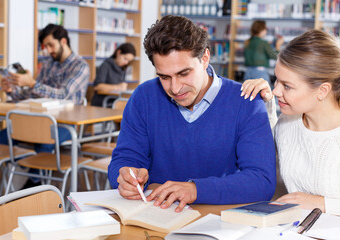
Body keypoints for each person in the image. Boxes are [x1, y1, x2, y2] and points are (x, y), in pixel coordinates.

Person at [108, 15, 276, 212]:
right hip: (157, 217)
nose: (176, 88)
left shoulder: (246, 101)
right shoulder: (144, 97)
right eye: (164, 77)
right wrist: (125, 176)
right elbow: (124, 159)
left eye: (183, 73)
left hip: (220, 222)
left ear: (205, 58)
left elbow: (262, 180)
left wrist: (196, 189)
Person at [241, 29, 340, 223]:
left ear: (322, 91)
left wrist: (324, 203)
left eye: (287, 86)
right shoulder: (288, 122)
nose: (276, 90)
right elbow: (268, 156)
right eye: (276, 80)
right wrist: (265, 106)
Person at [0, 23, 90, 153]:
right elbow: (34, 94)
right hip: (40, 119)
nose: (48, 50)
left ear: (63, 41)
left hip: (65, 124)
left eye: (51, 45)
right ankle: (21, 162)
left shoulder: (81, 66)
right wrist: (12, 91)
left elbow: (63, 94)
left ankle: (33, 171)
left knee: (42, 143)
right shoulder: (48, 64)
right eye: (45, 46)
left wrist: (32, 83)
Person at [243, 20, 283, 85]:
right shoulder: (264, 43)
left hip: (248, 72)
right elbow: (276, 56)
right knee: (264, 93)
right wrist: (278, 45)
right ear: (262, 30)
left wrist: (268, 45)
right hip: (260, 73)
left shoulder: (247, 42)